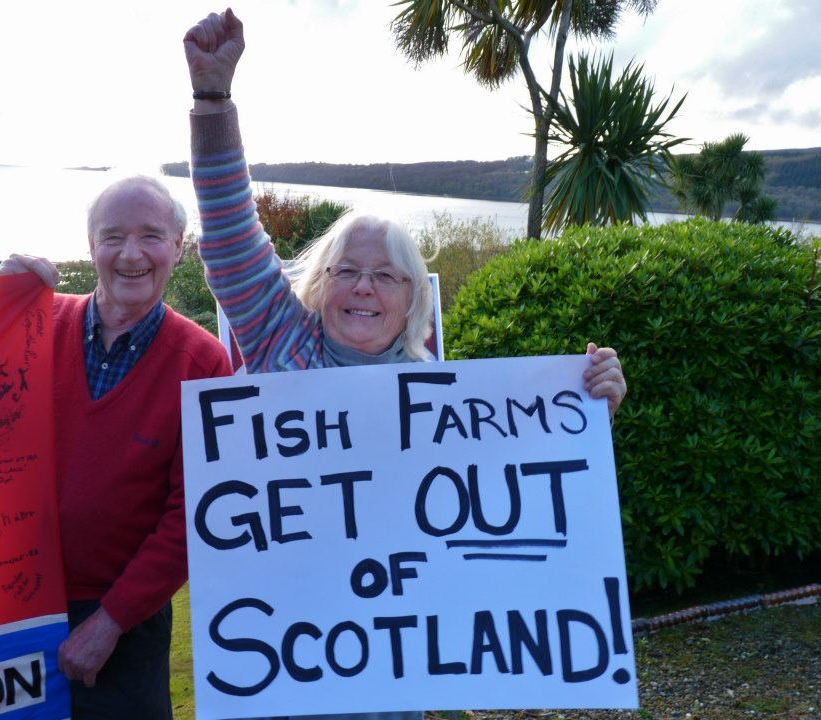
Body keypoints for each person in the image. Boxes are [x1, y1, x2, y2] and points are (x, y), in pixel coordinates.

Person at [183, 9, 627, 720]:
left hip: (385, 679)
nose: (364, 287)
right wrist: (213, 101)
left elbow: (515, 520)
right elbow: (231, 226)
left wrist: (588, 407)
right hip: (278, 667)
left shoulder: (443, 396)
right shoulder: (277, 340)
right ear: (320, 282)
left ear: (415, 297)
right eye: (348, 271)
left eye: (386, 277)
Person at [0, 175, 233, 719]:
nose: (131, 255)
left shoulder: (203, 362)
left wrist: (110, 622)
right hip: (9, 605)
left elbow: (191, 515)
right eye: (112, 237)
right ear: (90, 247)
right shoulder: (33, 327)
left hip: (124, 624)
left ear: (178, 246)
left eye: (151, 236)